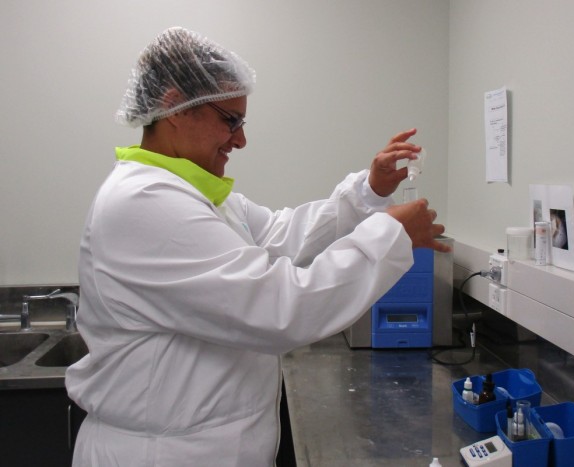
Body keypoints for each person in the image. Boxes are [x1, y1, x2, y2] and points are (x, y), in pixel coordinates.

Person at [65, 26, 449, 467]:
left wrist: (367, 193)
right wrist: (391, 236)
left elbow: (283, 236)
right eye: (230, 120)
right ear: (174, 106)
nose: (241, 139)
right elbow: (282, 309)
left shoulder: (200, 198)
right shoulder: (144, 203)